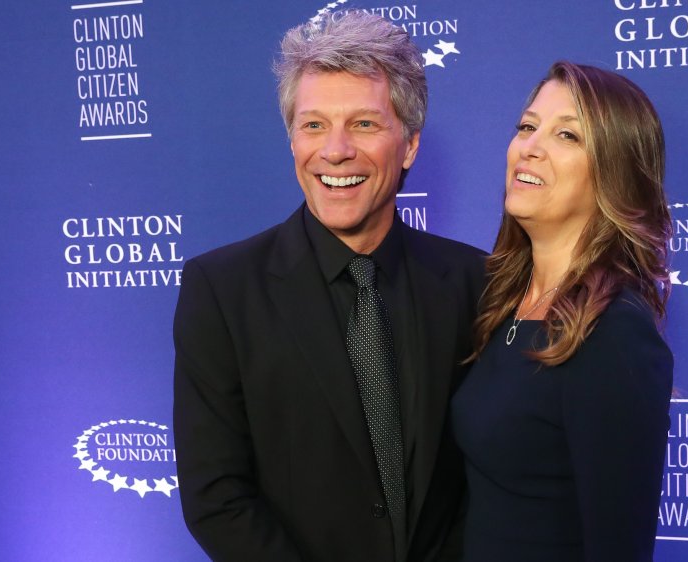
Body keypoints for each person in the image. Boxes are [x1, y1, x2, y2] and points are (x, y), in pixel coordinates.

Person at [172, 13, 484, 562]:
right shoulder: (221, 290)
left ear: (409, 145)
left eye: (364, 124)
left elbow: (490, 475)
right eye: (313, 125)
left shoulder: (473, 282)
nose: (335, 151)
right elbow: (216, 496)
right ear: (292, 140)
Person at [451, 61, 674, 561]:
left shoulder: (614, 335)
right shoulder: (502, 304)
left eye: (567, 135)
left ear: (615, 173)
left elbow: (617, 547)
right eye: (527, 126)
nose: (530, 146)